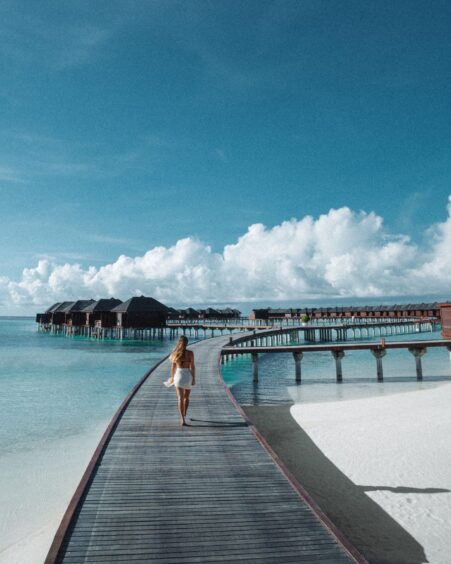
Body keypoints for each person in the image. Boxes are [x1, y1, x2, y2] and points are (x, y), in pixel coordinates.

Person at [168, 336, 196, 426]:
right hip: (188, 375)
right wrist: (194, 379)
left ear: (179, 343)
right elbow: (193, 367)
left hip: (179, 375)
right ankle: (184, 413)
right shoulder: (190, 353)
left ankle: (182, 419)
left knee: (180, 398)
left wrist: (172, 378)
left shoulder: (175, 353)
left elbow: (173, 367)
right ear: (187, 343)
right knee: (186, 398)